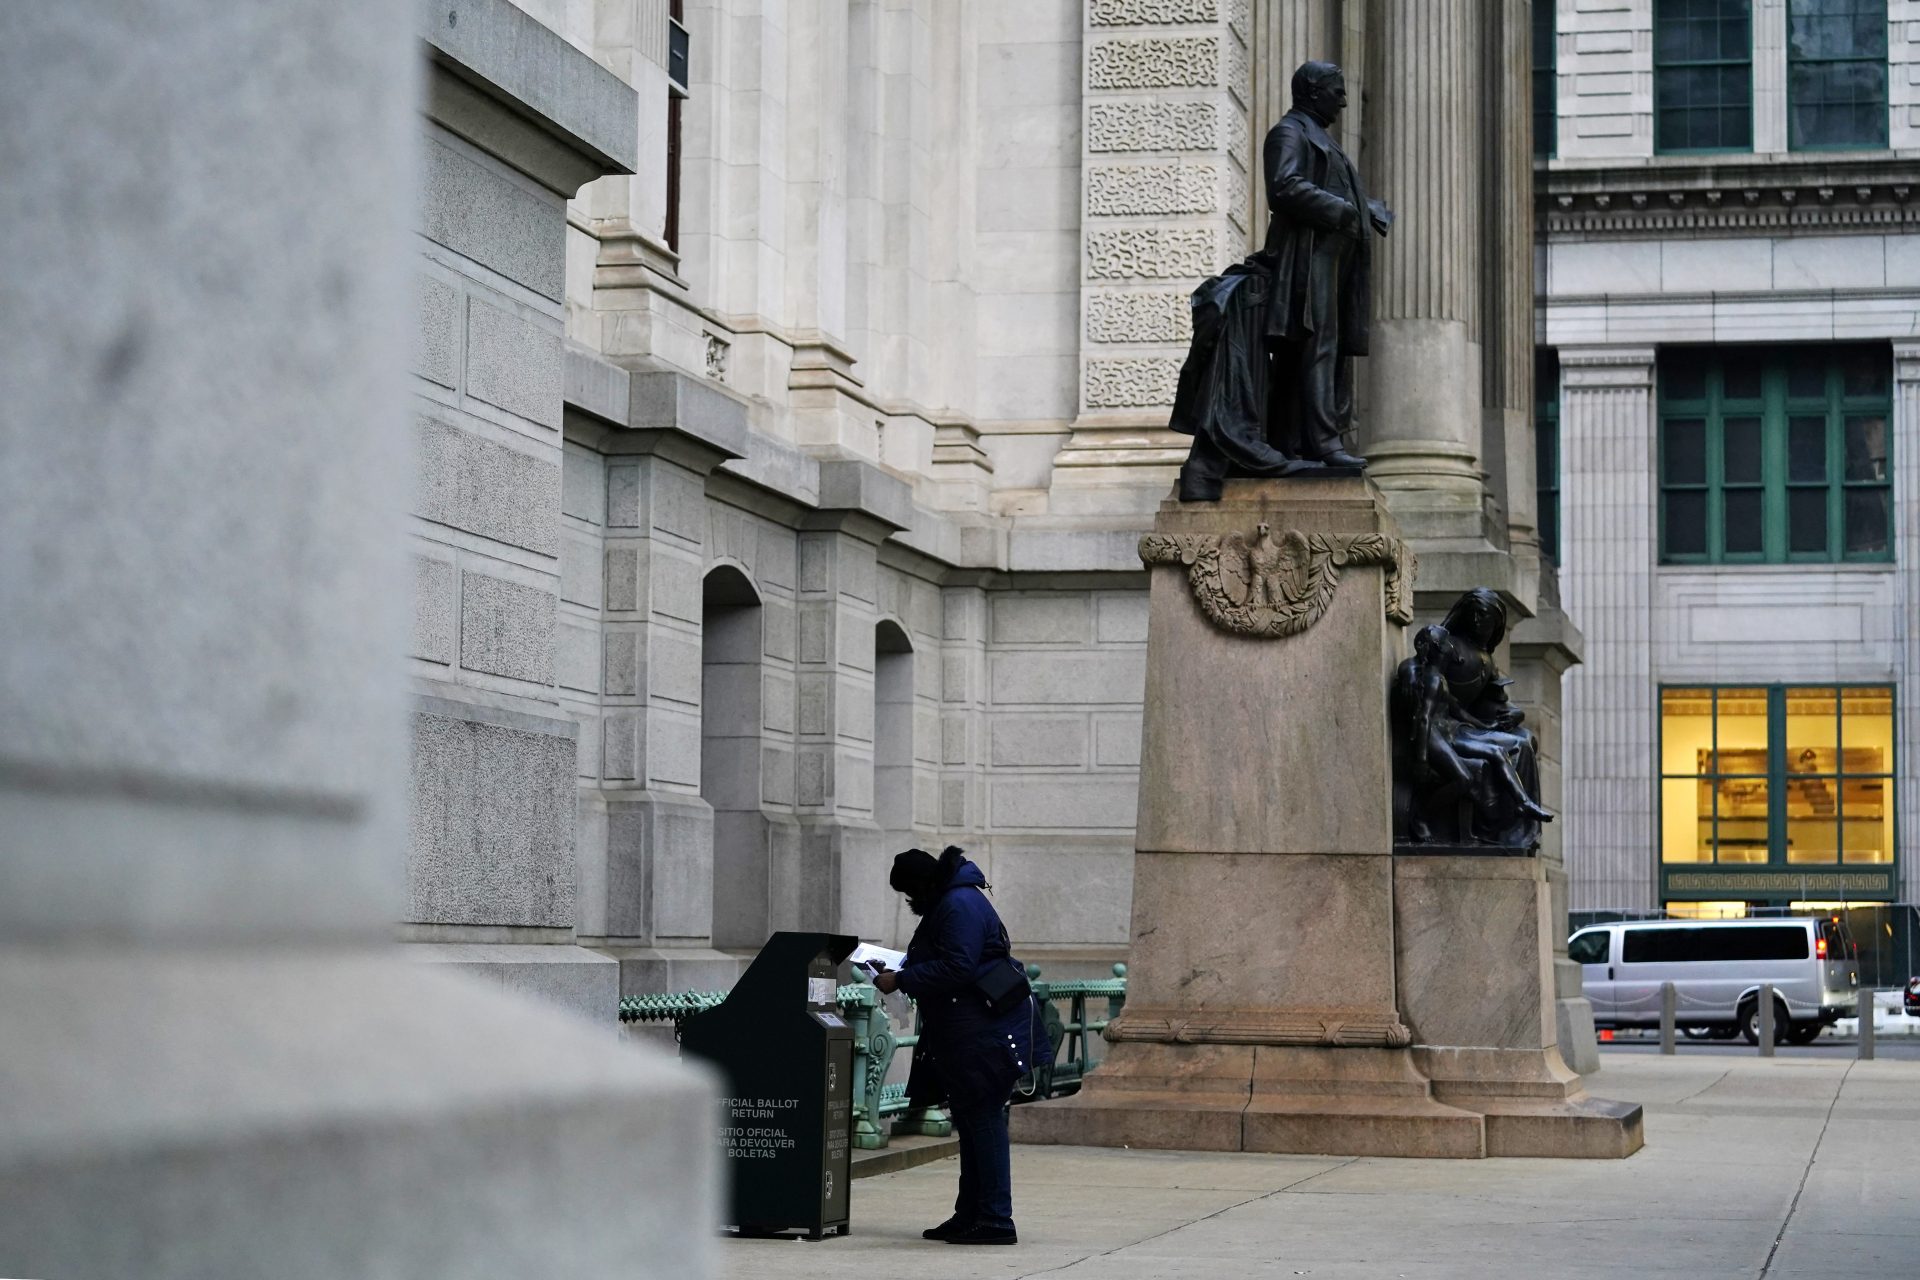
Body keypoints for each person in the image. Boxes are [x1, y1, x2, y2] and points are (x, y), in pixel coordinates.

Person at [872, 845, 1036, 1246]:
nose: (910, 902)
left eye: (909, 893)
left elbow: (958, 965)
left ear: (924, 884)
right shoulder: (955, 899)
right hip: (974, 1027)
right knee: (973, 1121)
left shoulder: (957, 904)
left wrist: (902, 980)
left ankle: (996, 1219)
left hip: (981, 1030)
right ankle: (971, 1214)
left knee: (983, 1119)